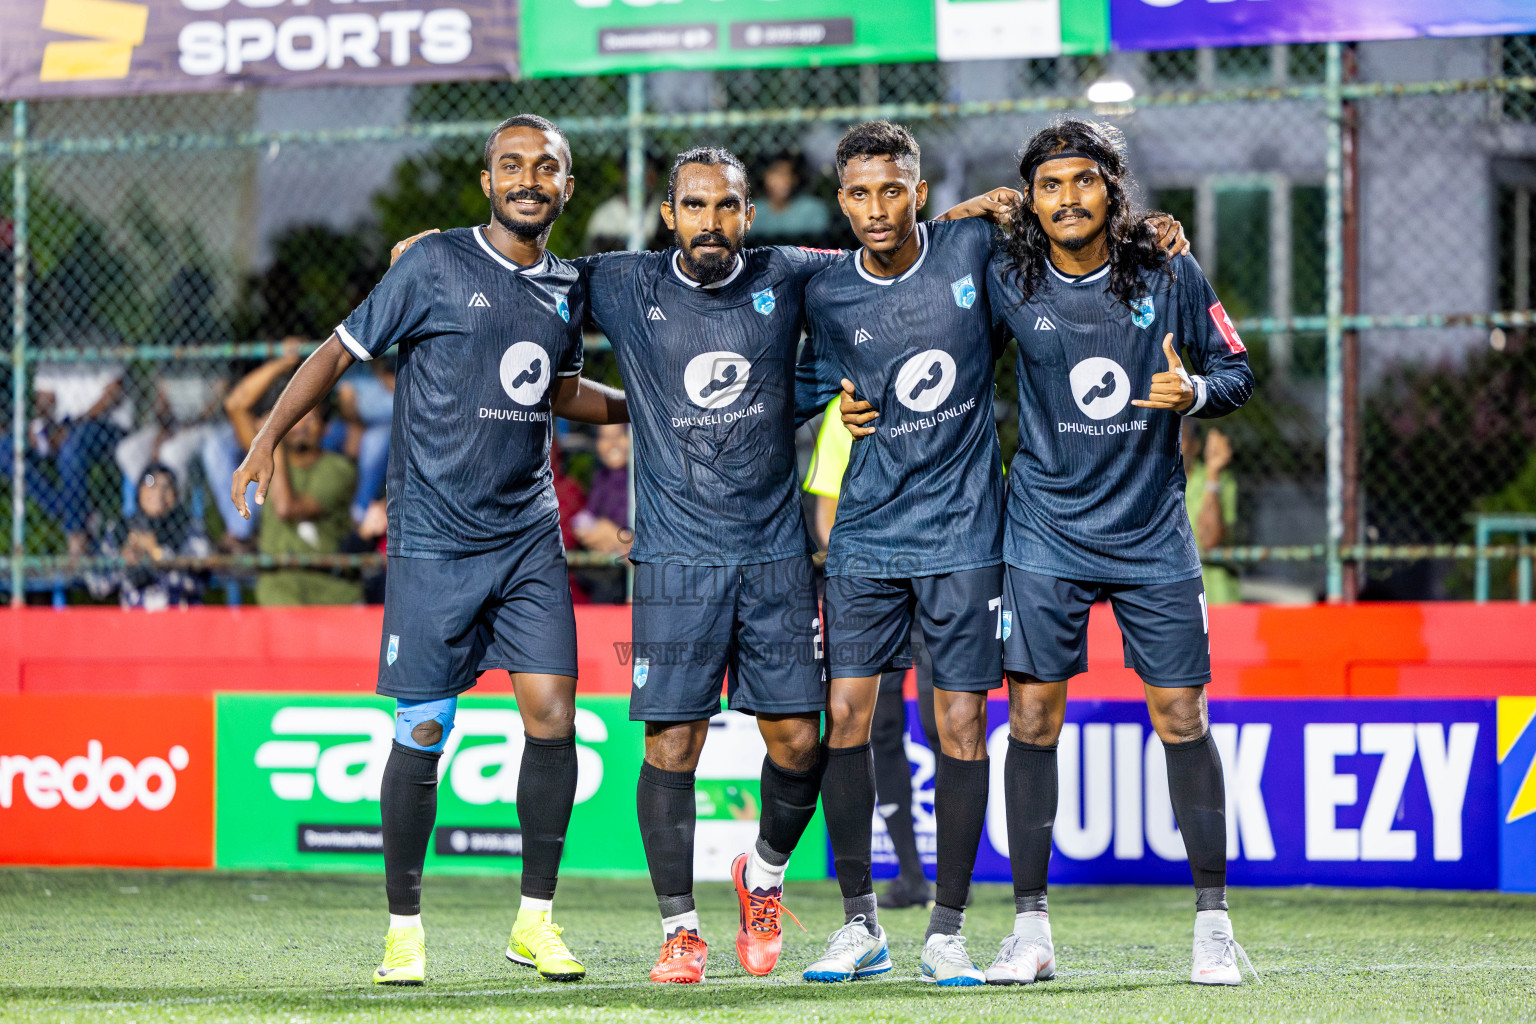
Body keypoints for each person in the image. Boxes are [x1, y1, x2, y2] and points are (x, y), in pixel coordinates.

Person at [390, 144, 1006, 986]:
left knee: (800, 742)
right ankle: (680, 930)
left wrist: (960, 217)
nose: (709, 222)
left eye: (725, 207)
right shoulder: (618, 281)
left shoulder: (788, 270)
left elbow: (881, 244)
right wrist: (438, 251)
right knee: (673, 742)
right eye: (693, 206)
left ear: (748, 214)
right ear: (668, 214)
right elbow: (520, 264)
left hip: (774, 553)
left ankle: (765, 874)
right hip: (676, 559)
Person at [232, 113, 628, 988]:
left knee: (553, 715)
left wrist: (647, 407)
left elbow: (559, 389)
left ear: (566, 187)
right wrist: (267, 437)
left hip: (527, 535)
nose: (528, 179)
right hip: (435, 540)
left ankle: (535, 921)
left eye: (547, 168)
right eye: (511, 165)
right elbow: (338, 352)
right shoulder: (433, 264)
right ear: (487, 182)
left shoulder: (568, 285)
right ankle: (404, 933)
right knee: (423, 729)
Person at [963, 117, 1254, 986]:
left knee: (1182, 717)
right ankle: (1031, 932)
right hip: (1044, 529)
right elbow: (916, 295)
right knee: (1031, 721)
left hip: (1151, 531)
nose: (1067, 199)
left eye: (1083, 180)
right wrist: (963, 215)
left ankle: (1213, 927)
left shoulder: (1169, 269)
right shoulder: (1007, 275)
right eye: (1049, 186)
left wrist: (1192, 389)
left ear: (1111, 188)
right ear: (1031, 200)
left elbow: (1236, 370)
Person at [795, 120, 1020, 986]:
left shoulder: (971, 249)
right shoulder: (827, 293)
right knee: (846, 718)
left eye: (893, 190)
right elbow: (800, 383)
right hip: (865, 536)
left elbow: (1056, 240)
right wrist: (835, 401)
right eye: (859, 193)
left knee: (958, 723)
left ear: (919, 193)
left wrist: (1151, 231)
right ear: (841, 200)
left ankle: (948, 931)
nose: (877, 208)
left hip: (963, 533)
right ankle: (861, 925)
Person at [802, 392, 939, 911]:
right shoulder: (847, 408)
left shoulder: (949, 393)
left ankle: (952, 875)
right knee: (879, 728)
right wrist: (862, 574)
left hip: (939, 577)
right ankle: (912, 875)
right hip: (875, 584)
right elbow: (827, 513)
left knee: (944, 724)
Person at [86, 463, 210, 610]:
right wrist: (124, 562)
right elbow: (97, 585)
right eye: (152, 485)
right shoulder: (120, 528)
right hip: (135, 616)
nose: (158, 493)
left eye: (166, 487)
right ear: (139, 490)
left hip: (179, 613)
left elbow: (197, 581)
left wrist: (156, 551)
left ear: (175, 494)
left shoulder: (189, 527)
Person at [571, 423, 632, 603]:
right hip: (608, 571)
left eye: (619, 435)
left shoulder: (644, 479)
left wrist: (617, 536)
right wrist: (604, 533)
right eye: (605, 437)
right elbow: (583, 521)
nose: (612, 443)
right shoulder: (601, 478)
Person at [1183, 420, 1240, 605]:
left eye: (1180, 439)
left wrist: (1213, 474)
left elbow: (1209, 540)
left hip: (1215, 595)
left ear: (1195, 446)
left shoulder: (1221, 480)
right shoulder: (1149, 483)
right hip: (1167, 597)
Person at [751, 151, 831, 245]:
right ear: (764, 176)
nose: (784, 180)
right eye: (777, 174)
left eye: (789, 174)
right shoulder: (754, 212)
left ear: (795, 179)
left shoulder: (813, 210)